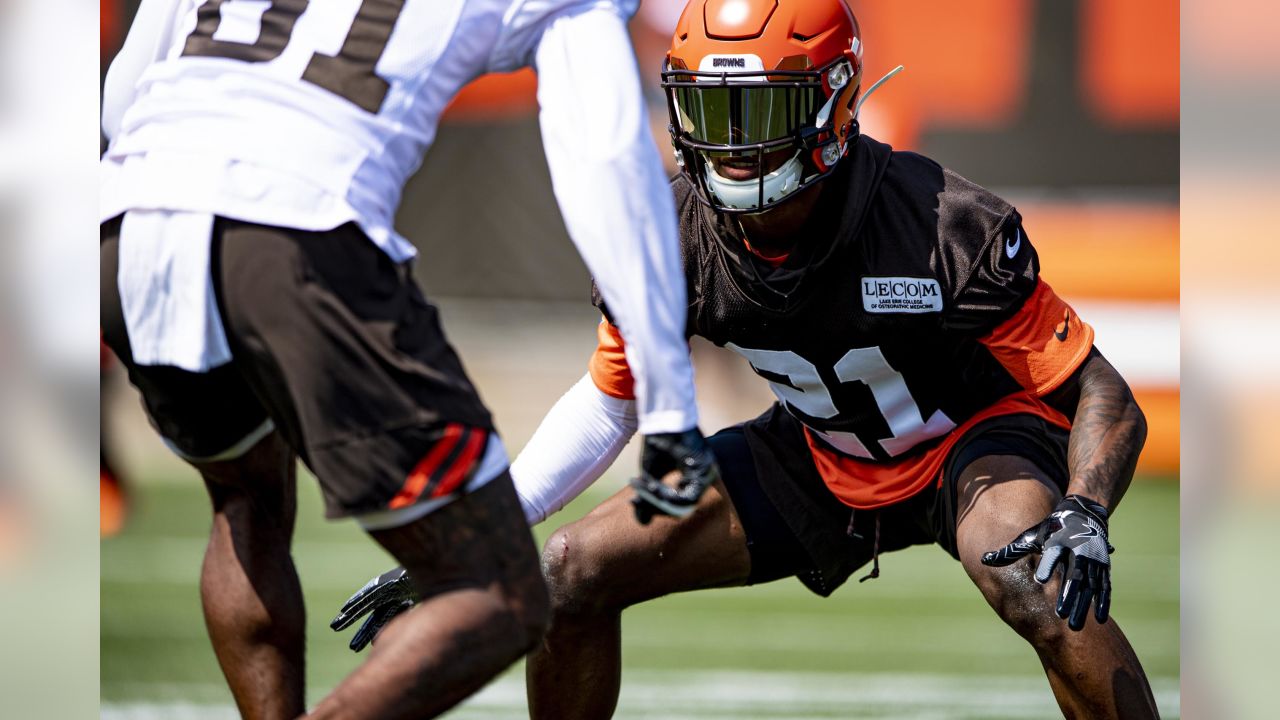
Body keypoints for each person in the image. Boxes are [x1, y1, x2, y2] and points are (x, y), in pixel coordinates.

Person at [334, 1, 1161, 717]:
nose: (733, 145)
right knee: (568, 570)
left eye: (759, 112)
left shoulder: (936, 218)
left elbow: (1103, 394)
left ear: (834, 101)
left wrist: (1083, 507)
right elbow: (612, 401)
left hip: (969, 441)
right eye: (712, 109)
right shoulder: (671, 230)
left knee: (1036, 575)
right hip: (817, 449)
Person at [99, 0, 717, 717]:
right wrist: (670, 399)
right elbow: (604, 156)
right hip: (296, 226)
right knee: (501, 591)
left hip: (126, 218)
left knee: (244, 503)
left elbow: (122, 97)